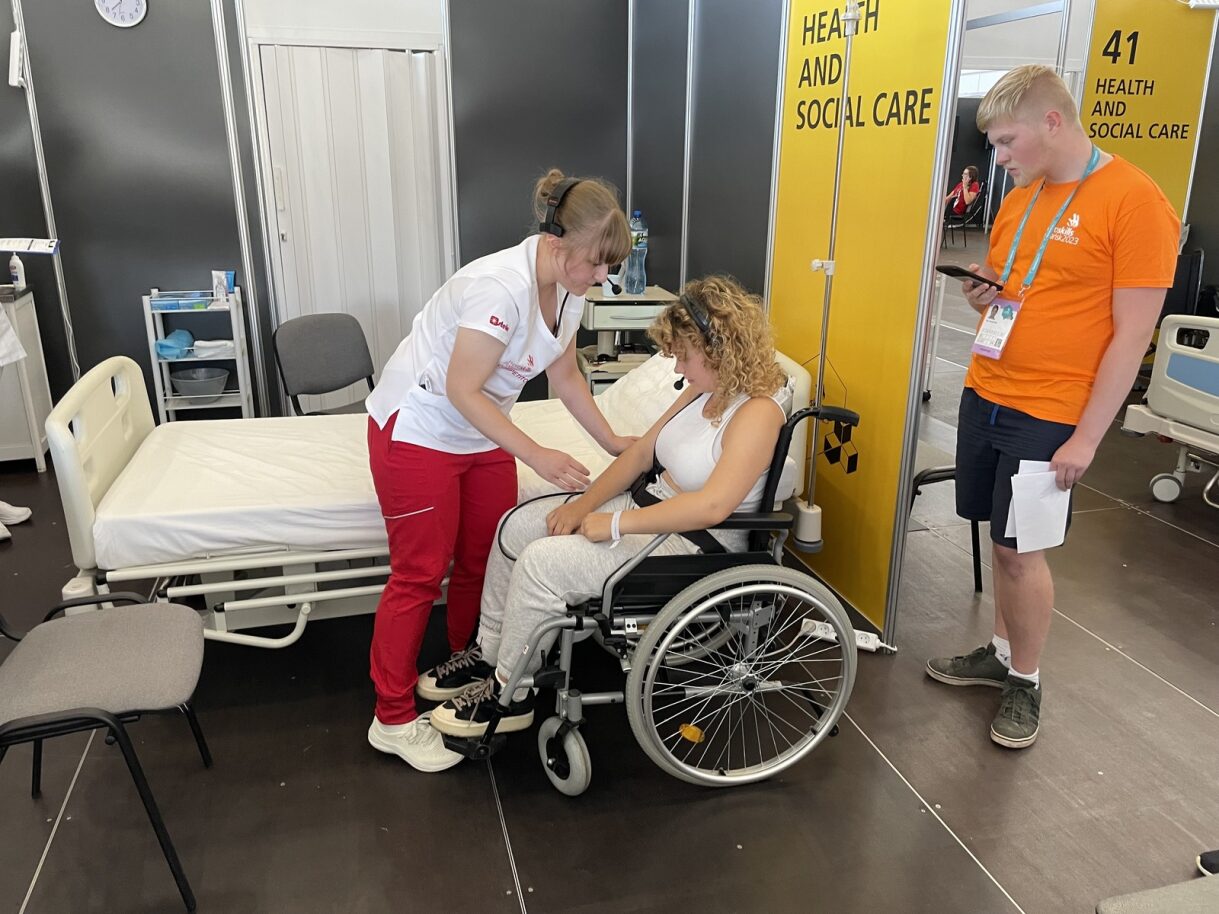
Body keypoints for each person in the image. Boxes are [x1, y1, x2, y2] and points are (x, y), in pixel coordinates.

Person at [926, 65, 1179, 749]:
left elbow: (1132, 334)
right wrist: (984, 295)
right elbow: (1015, 288)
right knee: (999, 539)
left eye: (1006, 142)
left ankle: (1025, 681)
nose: (999, 160)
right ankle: (1001, 651)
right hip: (987, 389)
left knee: (1020, 550)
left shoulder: (1134, 202)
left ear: (1051, 122)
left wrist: (1086, 439)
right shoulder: (1022, 197)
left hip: (1052, 411)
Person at [423, 275, 791, 741]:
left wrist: (614, 523)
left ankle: (510, 693)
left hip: (695, 544)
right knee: (515, 527)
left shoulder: (757, 410)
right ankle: (491, 651)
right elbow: (639, 454)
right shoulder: (704, 387)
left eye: (684, 354)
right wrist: (584, 505)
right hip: (650, 507)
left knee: (541, 564)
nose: (677, 366)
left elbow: (711, 507)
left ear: (719, 348)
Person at [363, 169, 635, 771]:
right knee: (419, 573)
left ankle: (466, 666)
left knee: (486, 555)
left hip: (479, 431)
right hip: (421, 430)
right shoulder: (499, 286)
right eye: (595, 262)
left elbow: (564, 375)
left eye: (606, 267)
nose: (602, 278)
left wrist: (614, 440)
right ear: (559, 241)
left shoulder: (570, 288)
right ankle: (392, 717)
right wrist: (535, 454)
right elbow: (463, 388)